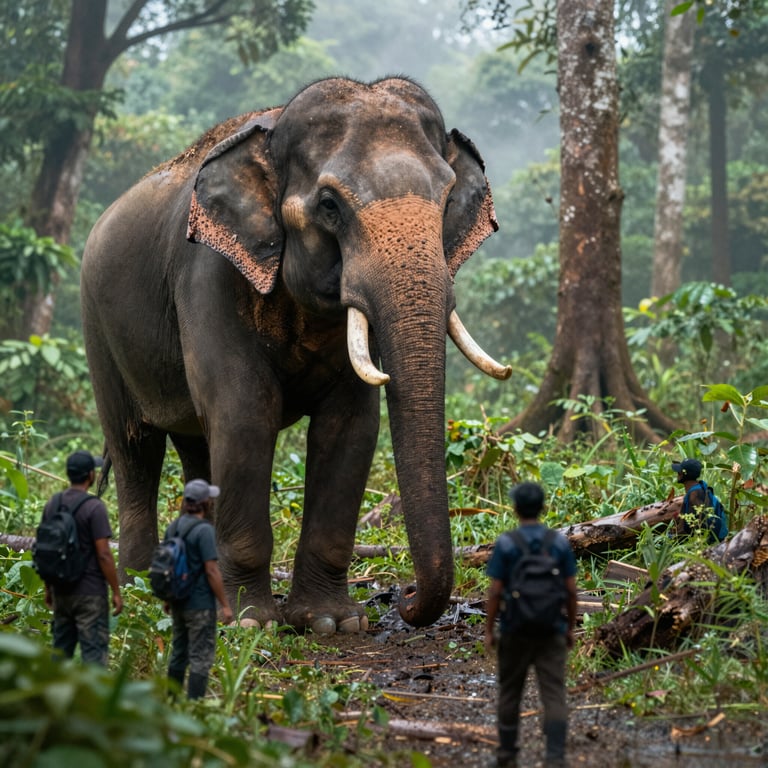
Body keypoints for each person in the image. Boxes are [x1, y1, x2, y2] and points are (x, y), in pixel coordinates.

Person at [485, 482, 577, 768]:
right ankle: (555, 758)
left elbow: (495, 591)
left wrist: (489, 630)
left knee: (510, 691)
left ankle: (507, 756)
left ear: (515, 509)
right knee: (553, 693)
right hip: (551, 630)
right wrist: (570, 626)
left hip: (515, 630)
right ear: (543, 507)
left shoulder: (506, 543)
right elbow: (571, 590)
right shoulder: (559, 542)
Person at [42, 449, 123, 665]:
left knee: (60, 653)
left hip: (61, 591)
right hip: (90, 593)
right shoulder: (94, 507)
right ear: (90, 476)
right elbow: (104, 554)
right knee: (94, 656)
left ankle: (53, 696)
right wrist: (116, 590)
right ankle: (92, 699)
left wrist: (48, 589)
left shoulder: (53, 504)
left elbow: (47, 549)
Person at [165, 478, 234, 699]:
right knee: (200, 656)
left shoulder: (172, 528)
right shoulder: (204, 531)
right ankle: (194, 704)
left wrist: (168, 597)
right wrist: (224, 604)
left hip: (177, 601)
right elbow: (212, 570)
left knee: (178, 652)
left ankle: (172, 700)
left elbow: (167, 565)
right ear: (206, 503)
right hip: (200, 603)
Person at [672, 458, 726, 541]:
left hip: (712, 542)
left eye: (679, 472)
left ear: (683, 474)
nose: (677, 474)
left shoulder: (695, 494)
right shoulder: (697, 489)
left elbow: (693, 527)